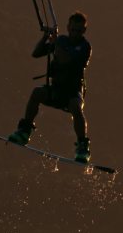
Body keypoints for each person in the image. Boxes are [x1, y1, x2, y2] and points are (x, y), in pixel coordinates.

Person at [8, 11, 93, 163]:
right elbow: (36, 53)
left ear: (84, 31)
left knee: (75, 106)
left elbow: (66, 60)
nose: (75, 33)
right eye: (73, 29)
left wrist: (57, 43)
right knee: (36, 92)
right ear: (68, 27)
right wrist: (46, 38)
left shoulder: (85, 47)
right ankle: (24, 131)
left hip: (73, 93)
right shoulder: (61, 41)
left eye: (79, 31)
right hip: (56, 90)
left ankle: (82, 146)